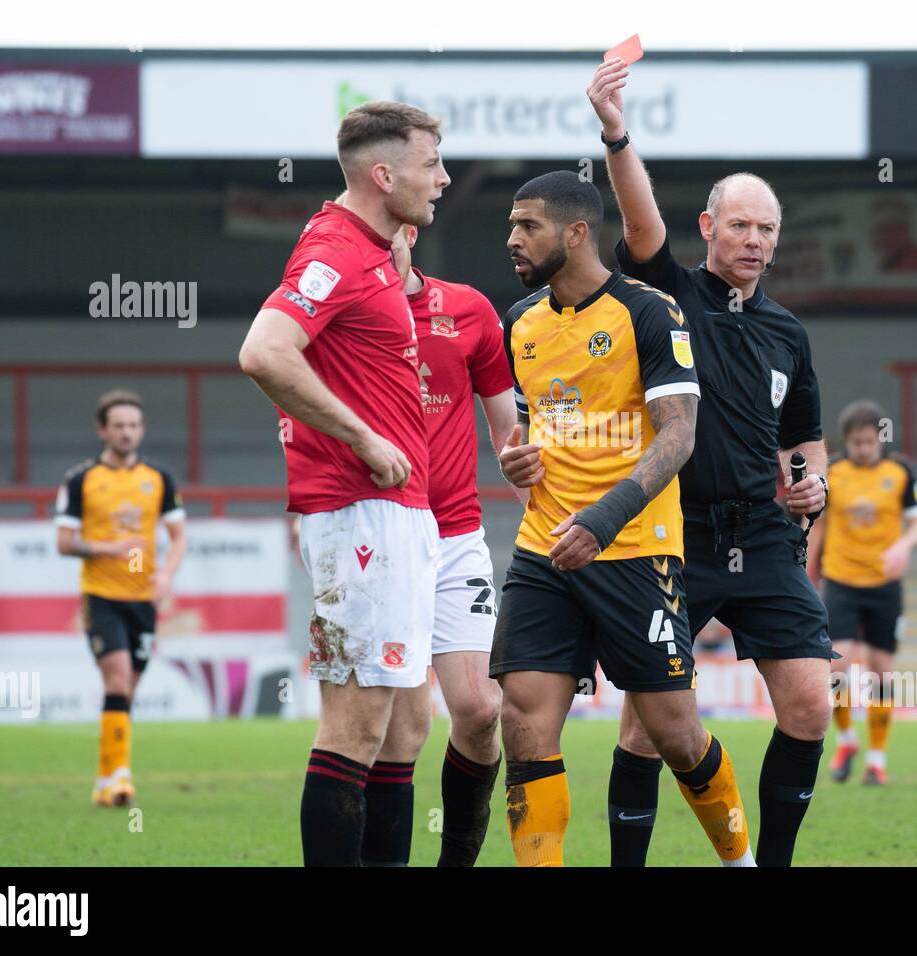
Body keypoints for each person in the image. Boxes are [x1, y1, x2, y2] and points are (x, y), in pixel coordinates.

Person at [588, 57, 834, 867]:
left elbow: (803, 438)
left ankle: (774, 863)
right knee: (647, 725)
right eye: (740, 226)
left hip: (762, 536)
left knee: (808, 705)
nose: (755, 241)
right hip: (673, 535)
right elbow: (640, 219)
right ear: (708, 226)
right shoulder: (667, 294)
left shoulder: (788, 333)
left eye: (767, 229)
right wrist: (617, 132)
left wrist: (813, 484)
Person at [493, 170, 754, 867]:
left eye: (528, 226)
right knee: (522, 720)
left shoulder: (650, 311)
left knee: (676, 736)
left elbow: (679, 437)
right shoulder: (519, 321)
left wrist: (602, 521)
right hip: (545, 549)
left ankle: (740, 861)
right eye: (513, 226)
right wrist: (518, 464)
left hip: (634, 547)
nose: (512, 239)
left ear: (577, 232)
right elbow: (533, 435)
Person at [238, 101, 449, 866]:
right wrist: (361, 435)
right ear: (384, 173)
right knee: (356, 725)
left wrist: (393, 273)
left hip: (398, 511)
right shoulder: (333, 248)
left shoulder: (365, 248)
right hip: (362, 513)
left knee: (405, 728)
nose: (444, 178)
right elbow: (265, 351)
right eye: (432, 164)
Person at [357, 220, 521, 867]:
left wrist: (546, 521)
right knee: (404, 728)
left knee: (480, 709)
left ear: (405, 232)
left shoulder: (471, 311)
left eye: (381, 239)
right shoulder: (348, 317)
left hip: (455, 536)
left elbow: (509, 436)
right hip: (382, 535)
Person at [55, 389, 186, 808]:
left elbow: (179, 536)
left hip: (142, 599)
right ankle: (121, 778)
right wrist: (106, 549)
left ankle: (105, 778)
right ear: (103, 430)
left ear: (141, 429)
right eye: (118, 426)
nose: (127, 433)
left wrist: (166, 573)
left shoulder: (159, 479)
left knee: (126, 690)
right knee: (116, 679)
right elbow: (63, 542)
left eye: (133, 425)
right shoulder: (81, 480)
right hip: (102, 595)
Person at [806, 400, 917, 785]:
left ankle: (877, 759)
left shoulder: (901, 471)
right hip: (841, 580)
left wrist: (903, 546)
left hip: (885, 586)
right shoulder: (834, 473)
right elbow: (820, 527)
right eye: (856, 442)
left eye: (868, 441)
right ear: (847, 441)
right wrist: (808, 571)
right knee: (837, 669)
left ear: (880, 438)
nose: (863, 448)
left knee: (881, 671)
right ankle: (846, 740)